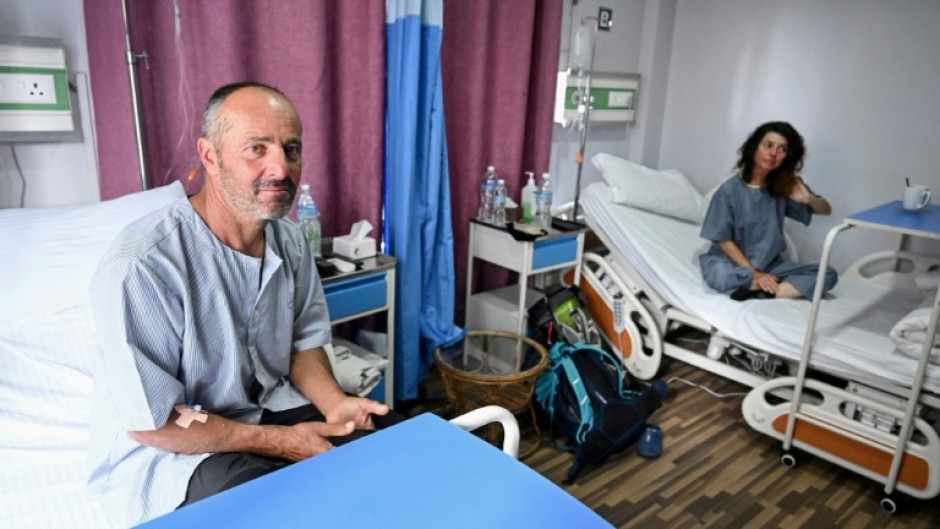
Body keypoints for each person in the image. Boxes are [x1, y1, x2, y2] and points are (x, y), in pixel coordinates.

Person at [88, 82, 399, 526]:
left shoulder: (289, 240)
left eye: (291, 150)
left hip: (266, 406)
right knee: (271, 504)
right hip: (173, 445)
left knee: (386, 442)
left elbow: (302, 344)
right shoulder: (142, 266)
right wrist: (279, 441)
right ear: (210, 156)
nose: (281, 167)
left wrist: (335, 404)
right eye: (257, 148)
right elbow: (151, 423)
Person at [699, 121, 838, 301]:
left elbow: (826, 209)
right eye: (768, 145)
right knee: (719, 274)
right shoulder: (729, 191)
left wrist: (808, 199)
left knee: (828, 274)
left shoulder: (784, 187)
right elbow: (723, 241)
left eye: (782, 149)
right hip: (731, 263)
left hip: (770, 265)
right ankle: (765, 285)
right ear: (754, 147)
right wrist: (755, 274)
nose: (773, 153)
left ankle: (765, 291)